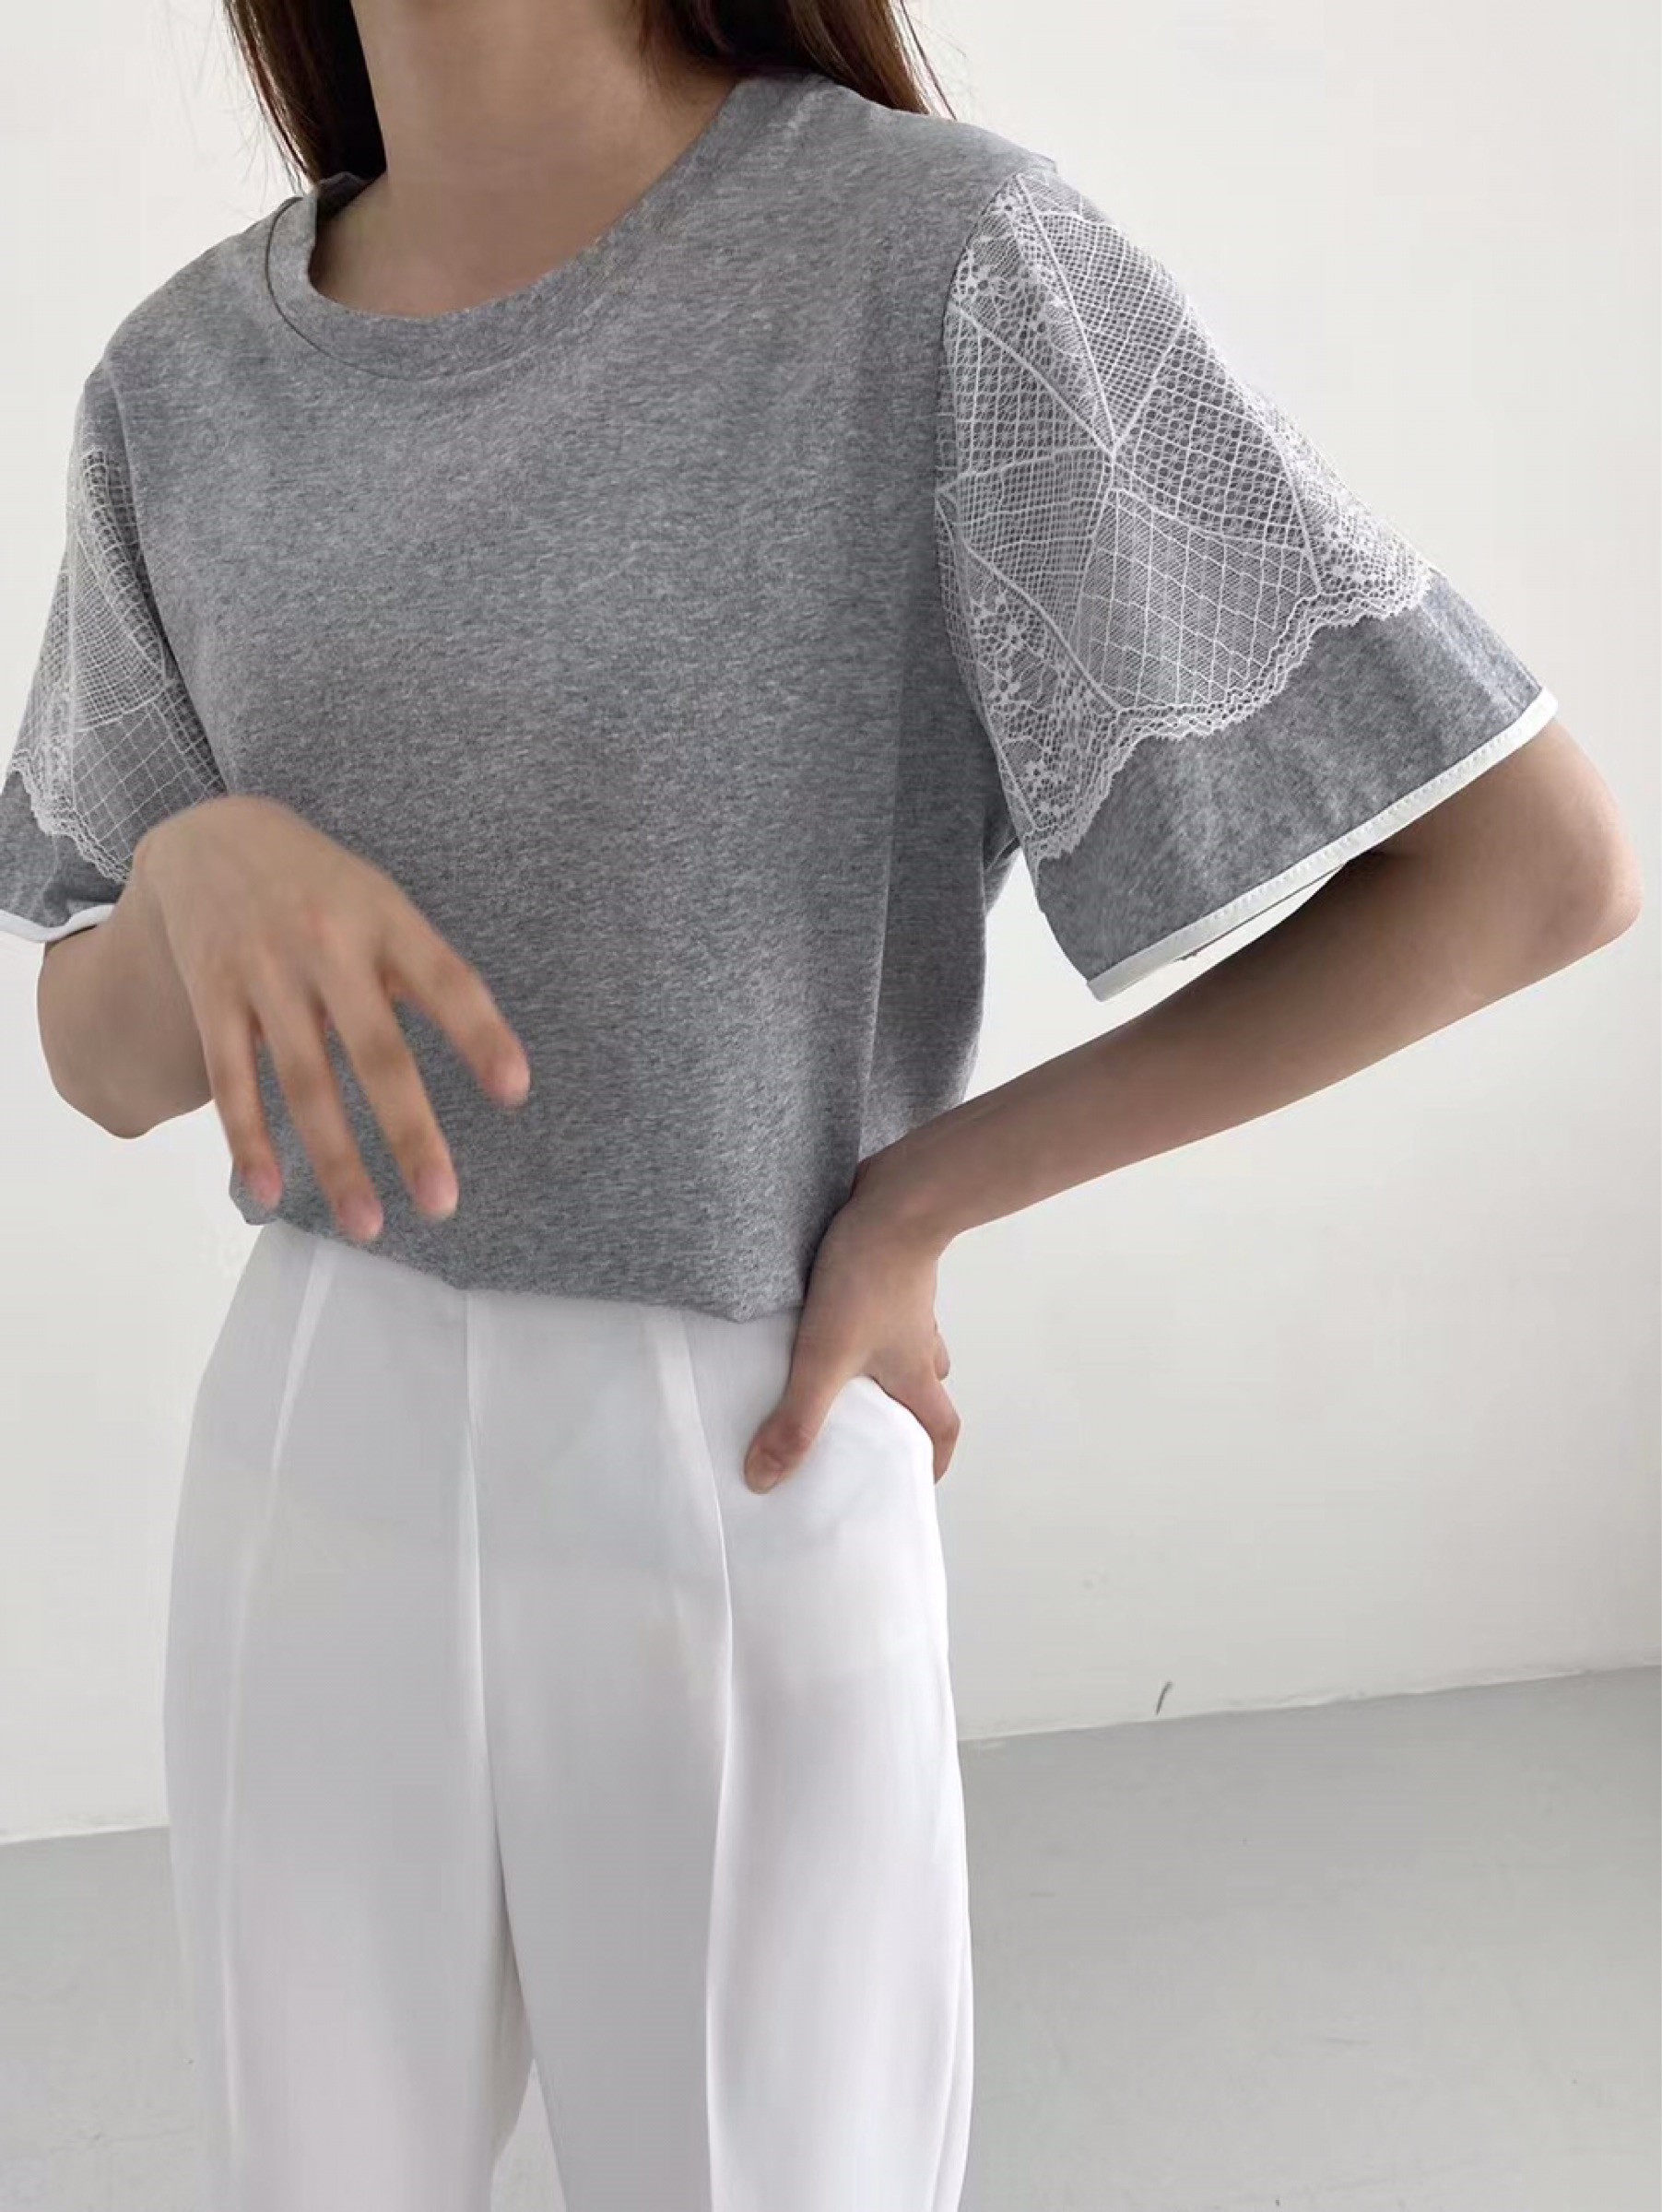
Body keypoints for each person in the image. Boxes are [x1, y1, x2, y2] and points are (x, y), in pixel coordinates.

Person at [0, 2, 1641, 2206]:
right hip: (308, 1454)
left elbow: (1524, 868)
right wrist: (191, 876)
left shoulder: (937, 267)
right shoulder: (182, 383)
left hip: (733, 1453)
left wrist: (921, 1197)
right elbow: (95, 1057)